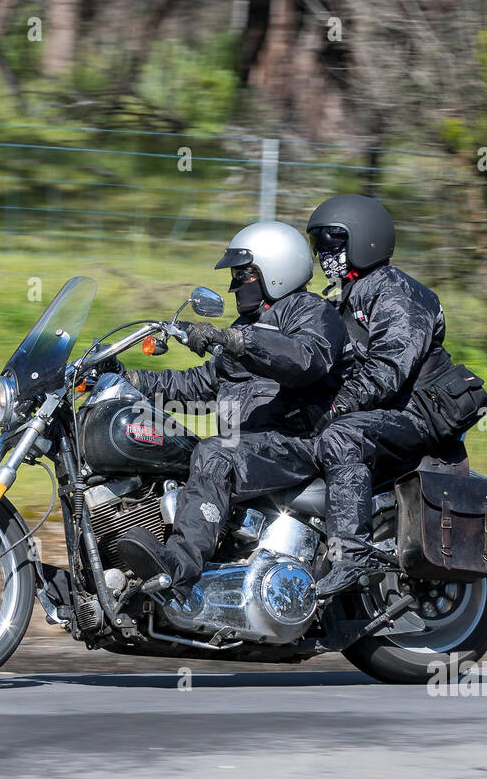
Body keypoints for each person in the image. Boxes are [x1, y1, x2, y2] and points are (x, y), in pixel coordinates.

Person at [114, 220, 345, 594]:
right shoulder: (249, 324)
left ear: (277, 269)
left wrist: (236, 340)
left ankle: (179, 568)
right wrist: (130, 380)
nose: (235, 286)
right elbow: (199, 385)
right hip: (251, 442)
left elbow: (305, 359)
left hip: (295, 441)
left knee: (215, 453)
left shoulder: (312, 311)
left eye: (244, 274)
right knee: (160, 440)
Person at [305, 193, 485, 598]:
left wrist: (337, 407)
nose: (325, 253)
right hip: (382, 410)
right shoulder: (343, 296)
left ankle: (351, 557)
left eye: (334, 242)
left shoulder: (397, 292)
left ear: (365, 239)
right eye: (320, 244)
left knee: (341, 436)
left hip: (416, 414)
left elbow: (389, 367)